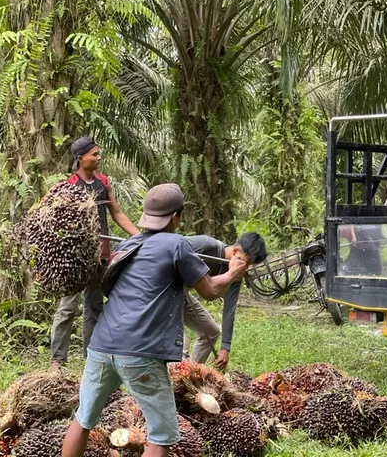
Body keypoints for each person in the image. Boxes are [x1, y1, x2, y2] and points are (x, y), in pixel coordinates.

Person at [61, 183, 248, 457]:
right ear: (175, 217)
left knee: (83, 418)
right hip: (140, 352)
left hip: (101, 346)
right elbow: (209, 290)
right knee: (161, 435)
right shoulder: (177, 244)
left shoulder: (128, 244)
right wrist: (233, 273)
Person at [51, 136, 139, 370]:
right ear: (81, 158)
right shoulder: (68, 185)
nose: (99, 158)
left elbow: (117, 213)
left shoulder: (103, 182)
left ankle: (90, 356)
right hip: (76, 259)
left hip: (100, 256)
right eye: (95, 154)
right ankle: (57, 360)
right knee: (68, 307)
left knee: (94, 306)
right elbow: (58, 221)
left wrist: (139, 235)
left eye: (99, 154)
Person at [182, 233, 267, 370]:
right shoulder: (205, 246)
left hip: (182, 293)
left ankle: (191, 375)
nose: (245, 268)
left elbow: (229, 308)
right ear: (235, 251)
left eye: (250, 265)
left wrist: (225, 347)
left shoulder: (236, 274)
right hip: (163, 290)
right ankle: (176, 381)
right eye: (246, 262)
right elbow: (169, 248)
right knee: (180, 344)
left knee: (211, 331)